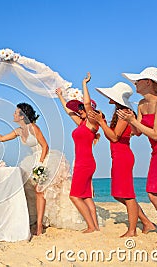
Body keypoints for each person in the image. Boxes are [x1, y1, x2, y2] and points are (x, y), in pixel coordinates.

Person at [0, 103, 84, 235]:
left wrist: (40, 165)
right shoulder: (19, 131)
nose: (13, 114)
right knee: (35, 192)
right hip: (32, 161)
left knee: (39, 191)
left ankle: (38, 227)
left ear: (22, 116)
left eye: (16, 112)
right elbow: (2, 139)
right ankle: (38, 223)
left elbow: (45, 146)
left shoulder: (33, 127)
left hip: (45, 159)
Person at [117, 67, 157, 248]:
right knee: (153, 195)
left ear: (148, 83)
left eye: (138, 81)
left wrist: (133, 122)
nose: (135, 84)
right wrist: (128, 119)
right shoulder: (141, 105)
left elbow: (156, 134)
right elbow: (138, 131)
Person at [87, 82, 156, 237]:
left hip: (123, 156)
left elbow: (114, 137)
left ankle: (132, 231)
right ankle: (146, 222)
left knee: (128, 195)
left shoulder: (124, 112)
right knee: (118, 194)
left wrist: (101, 122)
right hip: (118, 156)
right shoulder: (120, 112)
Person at [55, 72, 100, 233]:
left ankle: (91, 226)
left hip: (85, 164)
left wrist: (84, 84)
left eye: (82, 107)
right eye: (79, 108)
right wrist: (60, 96)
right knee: (86, 196)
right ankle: (95, 227)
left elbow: (87, 104)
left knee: (74, 196)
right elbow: (69, 112)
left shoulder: (92, 123)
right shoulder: (82, 124)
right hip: (83, 163)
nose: (80, 109)